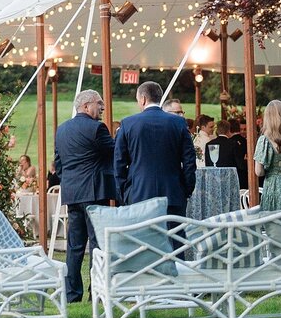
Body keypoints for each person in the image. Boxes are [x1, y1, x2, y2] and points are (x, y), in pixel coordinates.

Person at [52, 89, 116, 304]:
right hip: (95, 193)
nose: (102, 108)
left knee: (75, 246)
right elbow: (115, 152)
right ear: (86, 105)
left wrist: (69, 181)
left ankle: (72, 295)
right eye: (99, 104)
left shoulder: (61, 130)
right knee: (98, 245)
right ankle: (96, 292)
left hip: (72, 194)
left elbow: (58, 165)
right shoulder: (97, 128)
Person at [113, 81, 197, 213]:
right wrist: (186, 189)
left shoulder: (128, 124)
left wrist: (124, 193)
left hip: (138, 194)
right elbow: (189, 160)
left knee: (141, 234)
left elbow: (119, 163)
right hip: (173, 193)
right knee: (173, 233)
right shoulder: (178, 122)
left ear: (143, 99)